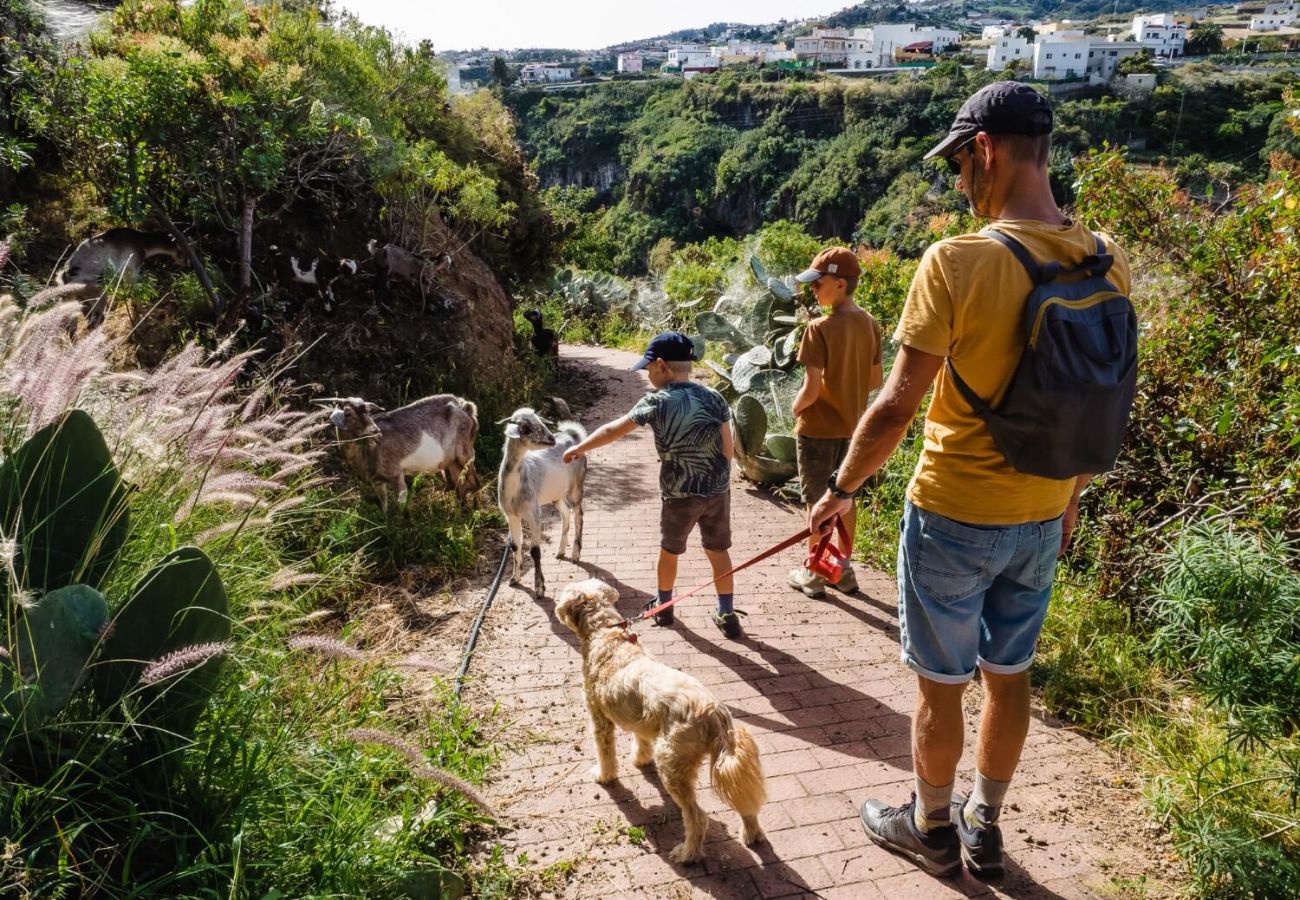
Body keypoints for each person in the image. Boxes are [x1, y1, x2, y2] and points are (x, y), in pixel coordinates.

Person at [807, 82, 1132, 878]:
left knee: (942, 686)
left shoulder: (958, 259)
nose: (959, 182)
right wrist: (1070, 503)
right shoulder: (1107, 258)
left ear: (984, 149)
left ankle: (929, 826)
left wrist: (840, 489)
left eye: (959, 163)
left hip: (954, 512)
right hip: (1043, 511)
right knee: (1010, 675)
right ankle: (985, 824)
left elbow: (894, 407)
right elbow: (1092, 404)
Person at [563, 332, 743, 638]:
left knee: (669, 550)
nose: (647, 374)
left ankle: (664, 604)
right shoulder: (715, 397)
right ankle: (726, 612)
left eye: (648, 369)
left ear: (662, 366)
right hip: (717, 492)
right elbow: (728, 448)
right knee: (718, 550)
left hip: (679, 494)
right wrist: (717, 479)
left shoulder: (657, 401)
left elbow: (614, 430)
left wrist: (581, 448)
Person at [787, 246, 883, 599]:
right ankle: (841, 569)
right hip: (853, 431)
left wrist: (796, 408)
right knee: (845, 500)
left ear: (840, 284)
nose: (813, 290)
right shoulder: (870, 324)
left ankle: (812, 572)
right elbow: (875, 381)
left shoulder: (818, 328)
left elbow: (810, 390)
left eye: (818, 284)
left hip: (817, 431)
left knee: (816, 502)